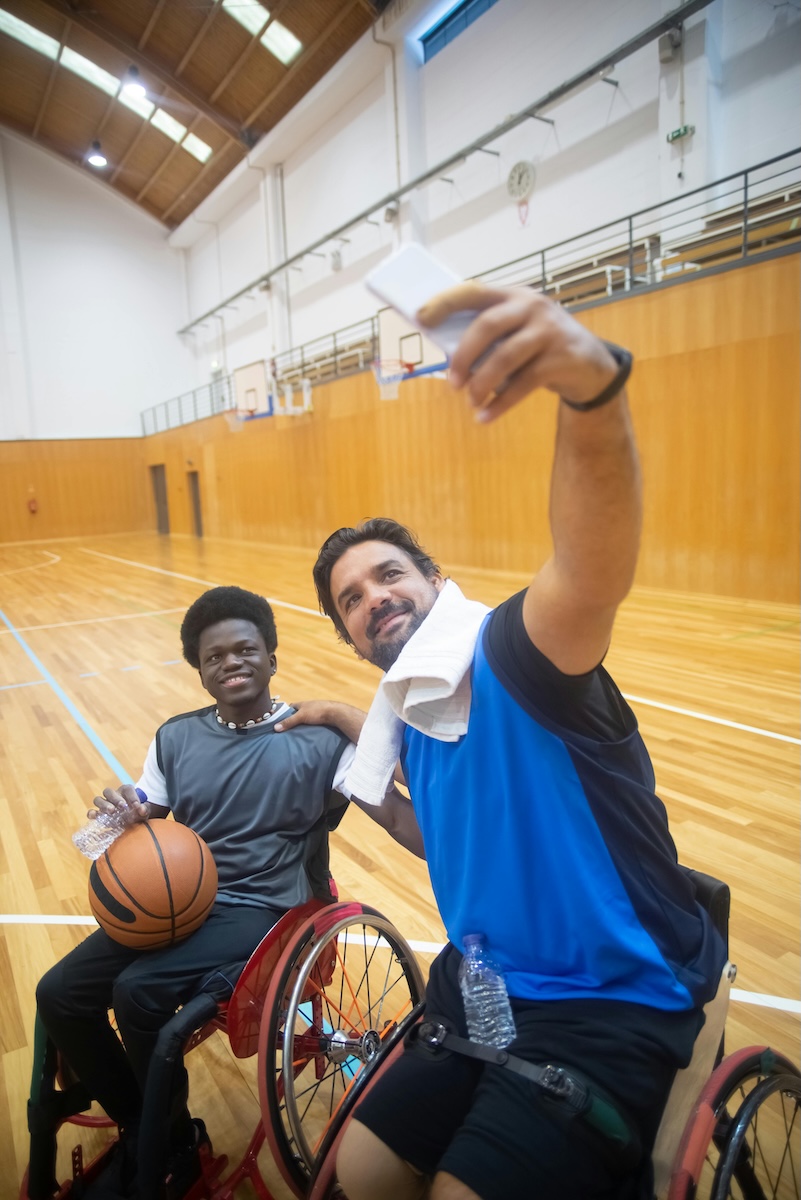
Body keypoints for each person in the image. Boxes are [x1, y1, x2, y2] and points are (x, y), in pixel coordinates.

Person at [302, 283, 728, 1200]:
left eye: (388, 575)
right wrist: (347, 723)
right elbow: (437, 837)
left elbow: (589, 564)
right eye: (350, 598)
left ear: (435, 583)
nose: (373, 597)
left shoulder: (517, 652)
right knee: (364, 1174)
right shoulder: (404, 707)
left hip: (608, 999)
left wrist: (591, 394)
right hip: (485, 986)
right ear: (348, 636)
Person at [35, 585, 420, 1200]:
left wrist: (352, 718)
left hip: (271, 911)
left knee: (138, 990)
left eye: (246, 650)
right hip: (181, 901)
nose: (231, 663)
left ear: (271, 656)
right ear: (200, 672)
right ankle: (147, 1126)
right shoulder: (176, 738)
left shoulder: (321, 743)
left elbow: (405, 817)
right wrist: (111, 815)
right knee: (58, 992)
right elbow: (131, 816)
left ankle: (169, 1144)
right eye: (215, 657)